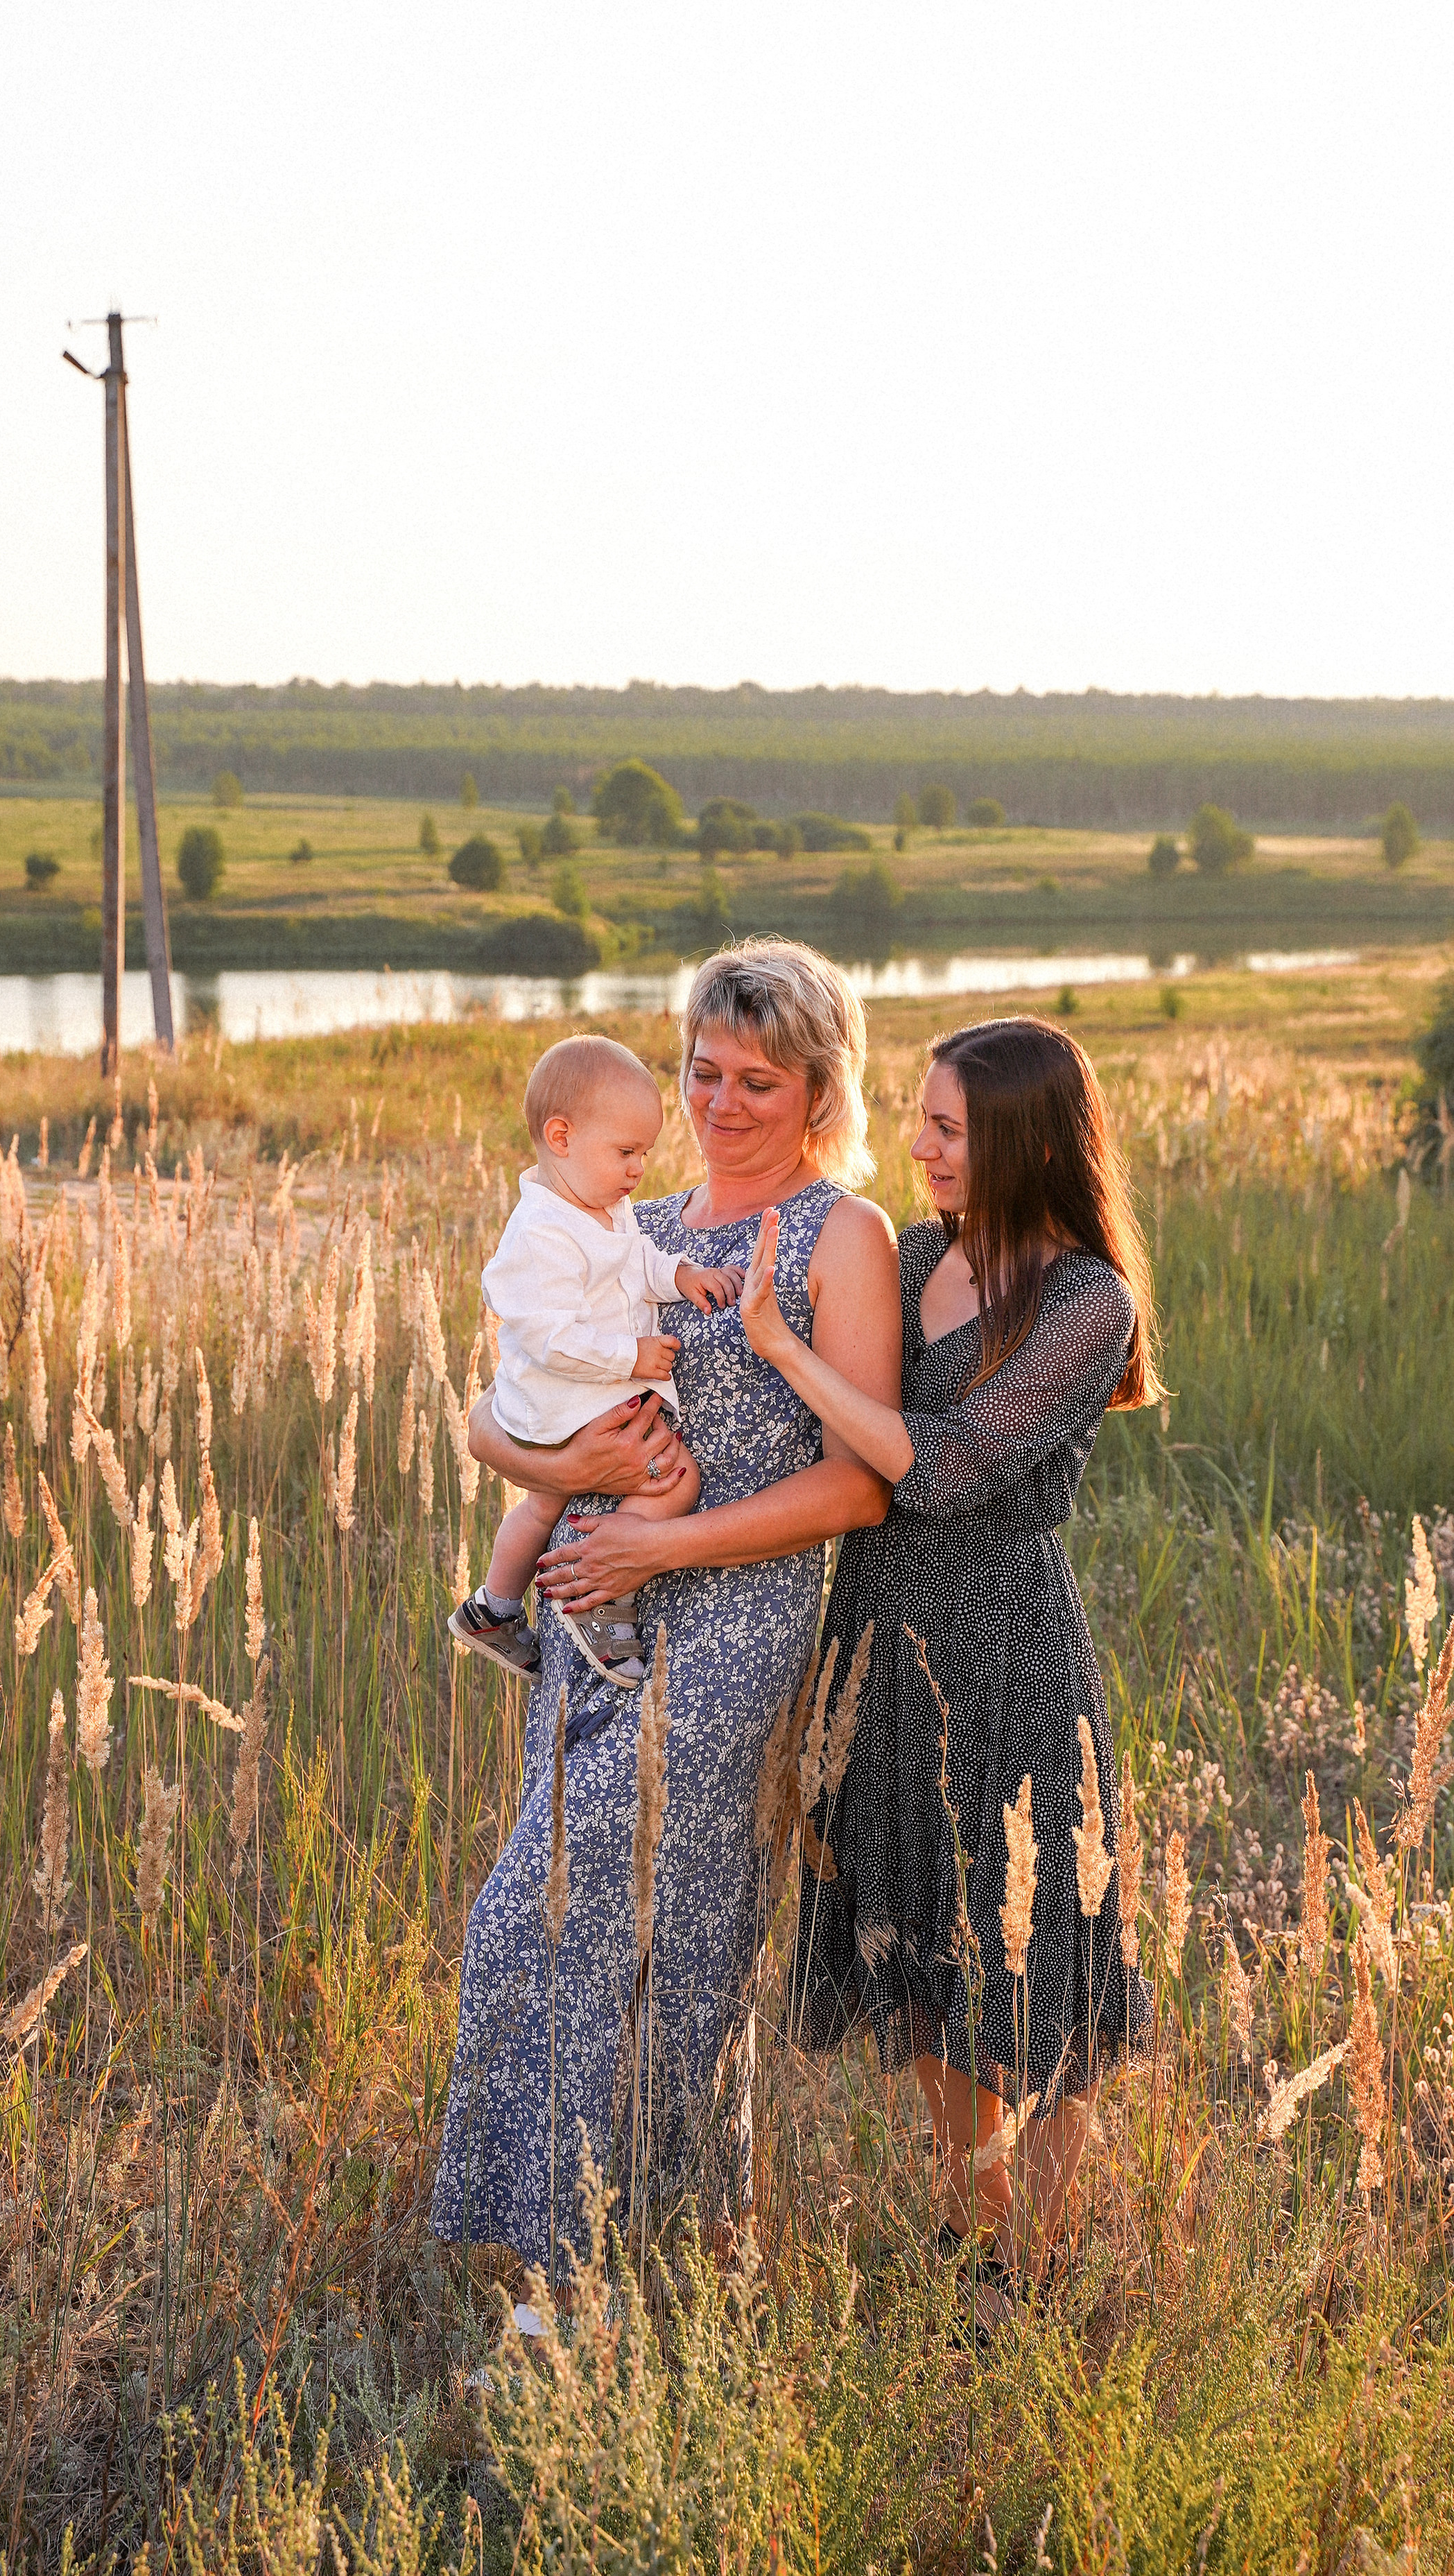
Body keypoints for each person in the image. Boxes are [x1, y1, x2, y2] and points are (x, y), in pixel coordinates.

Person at [429, 939, 901, 2283]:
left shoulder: (840, 1233)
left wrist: (660, 1542)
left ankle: (571, 2285)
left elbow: (858, 1488)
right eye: (704, 1070)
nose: (723, 1101)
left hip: (739, 1620)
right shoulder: (636, 1219)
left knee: (598, 1922)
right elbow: (501, 1405)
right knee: (626, 1928)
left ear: (819, 1088)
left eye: (760, 1078)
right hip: (595, 1615)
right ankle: (689, 2250)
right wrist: (558, 1473)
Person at [736, 1012, 1159, 2319]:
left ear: (1026, 1141)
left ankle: (1033, 2257)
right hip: (878, 1629)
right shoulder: (912, 1253)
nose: (918, 1147)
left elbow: (954, 1464)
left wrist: (791, 1354)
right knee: (920, 1936)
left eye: (949, 1129)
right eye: (918, 1119)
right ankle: (979, 2237)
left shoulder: (1088, 1300)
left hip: (1007, 1644)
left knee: (1031, 1947)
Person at [447, 1033, 745, 1688]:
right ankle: (599, 1577)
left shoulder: (601, 1209)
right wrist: (630, 1353)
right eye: (625, 1151)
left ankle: (492, 1607)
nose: (638, 1169)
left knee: (539, 1507)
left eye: (644, 1152)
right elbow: (549, 1336)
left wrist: (682, 1273)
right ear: (561, 1137)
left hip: (564, 1400)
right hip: (567, 1393)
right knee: (673, 1477)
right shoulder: (542, 1231)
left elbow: (635, 1263)